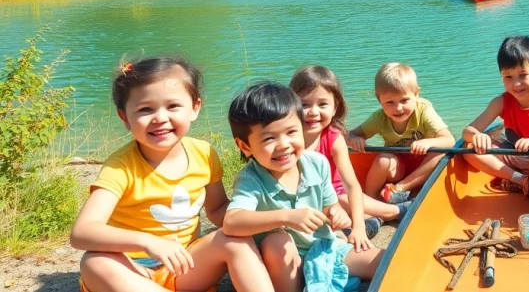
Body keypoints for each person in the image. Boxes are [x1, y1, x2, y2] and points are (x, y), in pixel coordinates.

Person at [70, 57, 273, 292]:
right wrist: (147, 242)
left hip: (184, 265)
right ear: (125, 117)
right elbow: (82, 232)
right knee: (94, 262)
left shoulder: (204, 154)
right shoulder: (120, 167)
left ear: (195, 108)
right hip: (132, 270)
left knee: (235, 241)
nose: (160, 118)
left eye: (173, 106)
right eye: (145, 109)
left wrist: (269, 214)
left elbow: (218, 211)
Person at [224, 82, 383, 292]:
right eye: (269, 138)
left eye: (291, 132)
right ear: (244, 146)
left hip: (324, 249)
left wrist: (336, 215)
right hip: (285, 263)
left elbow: (330, 207)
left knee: (384, 261)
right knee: (276, 242)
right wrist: (288, 216)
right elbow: (231, 222)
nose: (283, 144)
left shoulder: (316, 163)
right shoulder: (250, 179)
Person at [289, 66, 412, 238]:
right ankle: (375, 219)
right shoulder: (286, 140)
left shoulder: (333, 138)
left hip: (336, 193)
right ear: (291, 105)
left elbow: (351, 185)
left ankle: (396, 211)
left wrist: (359, 229)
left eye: (322, 104)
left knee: (340, 200)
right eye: (304, 104)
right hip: (310, 199)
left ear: (334, 107)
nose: (313, 112)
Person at [462, 35, 529, 202]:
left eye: (523, 75)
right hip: (516, 158)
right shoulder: (501, 102)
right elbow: (467, 131)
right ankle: (519, 179)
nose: (516, 84)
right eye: (508, 77)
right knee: (469, 148)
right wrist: (476, 136)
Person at [346, 63, 455, 204]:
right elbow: (350, 135)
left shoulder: (423, 111)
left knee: (441, 151)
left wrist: (428, 142)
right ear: (379, 100)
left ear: (416, 94)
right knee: (383, 159)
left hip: (424, 166)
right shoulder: (379, 118)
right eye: (390, 102)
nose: (398, 108)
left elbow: (449, 140)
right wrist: (356, 139)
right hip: (398, 168)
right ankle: (370, 200)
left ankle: (401, 189)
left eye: (404, 100)